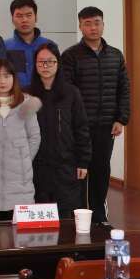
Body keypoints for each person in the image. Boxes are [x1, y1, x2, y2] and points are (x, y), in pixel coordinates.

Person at [61, 7, 130, 224]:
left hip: (106, 126)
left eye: (97, 22)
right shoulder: (70, 55)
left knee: (101, 170)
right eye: (88, 23)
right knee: (79, 171)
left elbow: (124, 89)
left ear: (103, 24)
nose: (93, 27)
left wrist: (121, 119)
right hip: (79, 127)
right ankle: (78, 215)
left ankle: (99, 216)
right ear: (80, 26)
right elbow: (66, 93)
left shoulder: (115, 55)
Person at [29, 43, 91, 219]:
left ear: (58, 64)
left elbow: (81, 128)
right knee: (39, 214)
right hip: (36, 165)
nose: (45, 66)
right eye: (41, 62)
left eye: (50, 61)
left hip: (65, 165)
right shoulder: (27, 94)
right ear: (35, 65)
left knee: (65, 214)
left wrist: (83, 162)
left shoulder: (71, 93)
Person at [0, 59, 41, 221]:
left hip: (20, 182)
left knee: (19, 232)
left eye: (7, 76)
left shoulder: (26, 103)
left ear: (14, 78)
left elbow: (34, 136)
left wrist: (24, 158)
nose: (2, 81)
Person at [3, 0, 55, 88]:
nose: (24, 20)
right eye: (19, 16)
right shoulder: (5, 47)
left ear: (36, 17)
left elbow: (57, 75)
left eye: (29, 15)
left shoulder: (49, 46)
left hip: (43, 95)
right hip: (15, 95)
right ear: (12, 19)